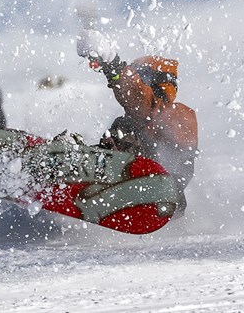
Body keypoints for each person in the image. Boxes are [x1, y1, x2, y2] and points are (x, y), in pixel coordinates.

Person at [76, 29, 199, 217]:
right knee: (120, 130)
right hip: (133, 187)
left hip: (160, 196)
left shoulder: (178, 115)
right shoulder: (130, 122)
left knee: (126, 130)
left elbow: (145, 107)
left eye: (140, 78)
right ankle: (76, 169)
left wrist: (113, 66)